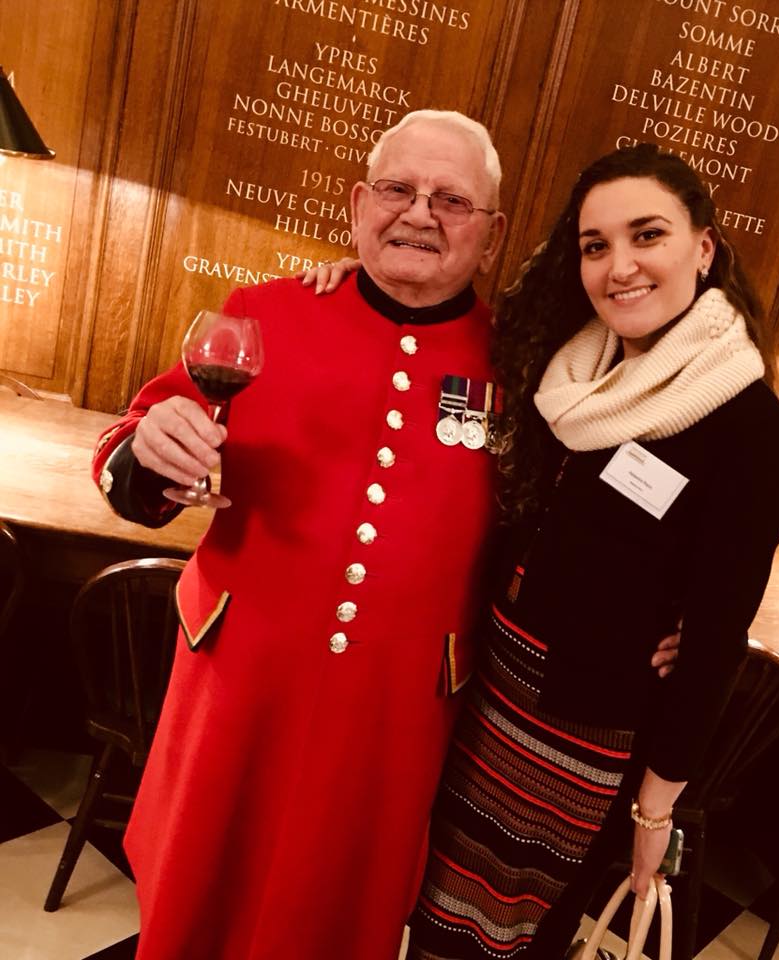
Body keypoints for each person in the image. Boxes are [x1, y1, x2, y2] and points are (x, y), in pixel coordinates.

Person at [308, 141, 779, 957]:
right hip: (480, 698)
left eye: (649, 236)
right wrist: (355, 274)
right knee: (423, 912)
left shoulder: (750, 427)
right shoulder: (565, 370)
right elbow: (428, 320)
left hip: (579, 739)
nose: (622, 266)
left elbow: (716, 638)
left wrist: (656, 810)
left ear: (704, 249)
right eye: (597, 245)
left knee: (514, 938)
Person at [92, 109, 511, 960]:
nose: (420, 213)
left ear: (492, 236)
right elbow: (128, 449)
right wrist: (147, 450)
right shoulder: (264, 315)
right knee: (195, 903)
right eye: (398, 189)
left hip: (393, 720)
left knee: (337, 914)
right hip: (236, 692)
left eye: (452, 200)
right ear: (359, 204)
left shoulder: (525, 366)